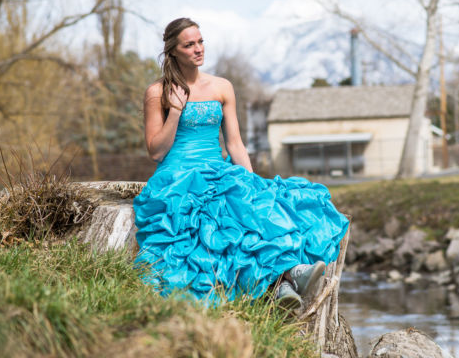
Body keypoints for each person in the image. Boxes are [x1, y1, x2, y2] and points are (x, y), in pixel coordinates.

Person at [134, 17, 349, 309]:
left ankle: (286, 278)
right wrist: (174, 112)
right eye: (189, 45)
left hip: (216, 168)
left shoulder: (222, 87)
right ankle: (281, 282)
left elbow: (234, 143)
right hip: (177, 176)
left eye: (200, 41)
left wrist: (252, 181)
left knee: (253, 204)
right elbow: (156, 152)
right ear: (173, 51)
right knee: (215, 227)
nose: (198, 49)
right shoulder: (157, 92)